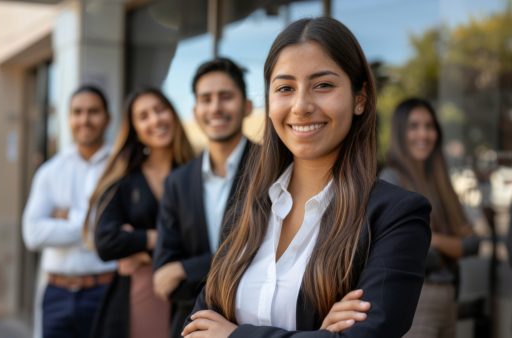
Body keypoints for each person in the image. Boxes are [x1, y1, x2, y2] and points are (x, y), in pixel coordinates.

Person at [181, 17, 432, 338]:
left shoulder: (396, 215)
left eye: (323, 85)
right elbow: (197, 328)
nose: (301, 106)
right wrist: (319, 334)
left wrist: (233, 335)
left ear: (360, 98)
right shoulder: (248, 207)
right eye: (285, 88)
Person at [153, 57, 258, 338]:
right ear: (195, 110)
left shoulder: (272, 168)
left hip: (257, 326)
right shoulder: (177, 182)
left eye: (226, 97)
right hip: (190, 326)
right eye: (206, 99)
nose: (215, 108)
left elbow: (265, 257)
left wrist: (186, 268)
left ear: (247, 106)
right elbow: (165, 279)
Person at [86, 88, 194, 338]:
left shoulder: (198, 173)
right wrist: (158, 240)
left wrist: (137, 245)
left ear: (173, 114)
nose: (155, 120)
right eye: (144, 116)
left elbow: (211, 244)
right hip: (140, 295)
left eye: (160, 110)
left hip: (192, 295)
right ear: (135, 129)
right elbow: (106, 242)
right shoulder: (124, 180)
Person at [380, 98, 480, 338]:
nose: (423, 134)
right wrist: (448, 244)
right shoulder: (391, 178)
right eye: (414, 126)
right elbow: (409, 251)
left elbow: (473, 243)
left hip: (449, 296)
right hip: (415, 300)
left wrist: (431, 238)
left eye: (429, 126)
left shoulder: (439, 180)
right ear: (400, 132)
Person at [22, 85, 116, 338]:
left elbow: (117, 234)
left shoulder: (121, 168)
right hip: (56, 293)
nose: (84, 119)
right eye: (77, 112)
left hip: (106, 291)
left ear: (108, 118)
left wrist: (63, 218)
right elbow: (32, 234)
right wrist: (93, 226)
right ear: (69, 119)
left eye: (93, 112)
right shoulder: (50, 171)